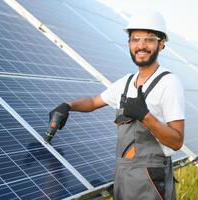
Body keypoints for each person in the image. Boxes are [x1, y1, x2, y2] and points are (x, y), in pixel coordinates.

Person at [49, 10, 185, 200]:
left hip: (151, 181)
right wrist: (68, 105)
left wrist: (146, 116)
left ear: (161, 44)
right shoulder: (126, 83)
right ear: (129, 43)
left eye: (149, 39)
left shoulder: (169, 83)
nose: (141, 45)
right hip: (123, 177)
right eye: (135, 38)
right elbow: (94, 102)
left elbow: (177, 141)